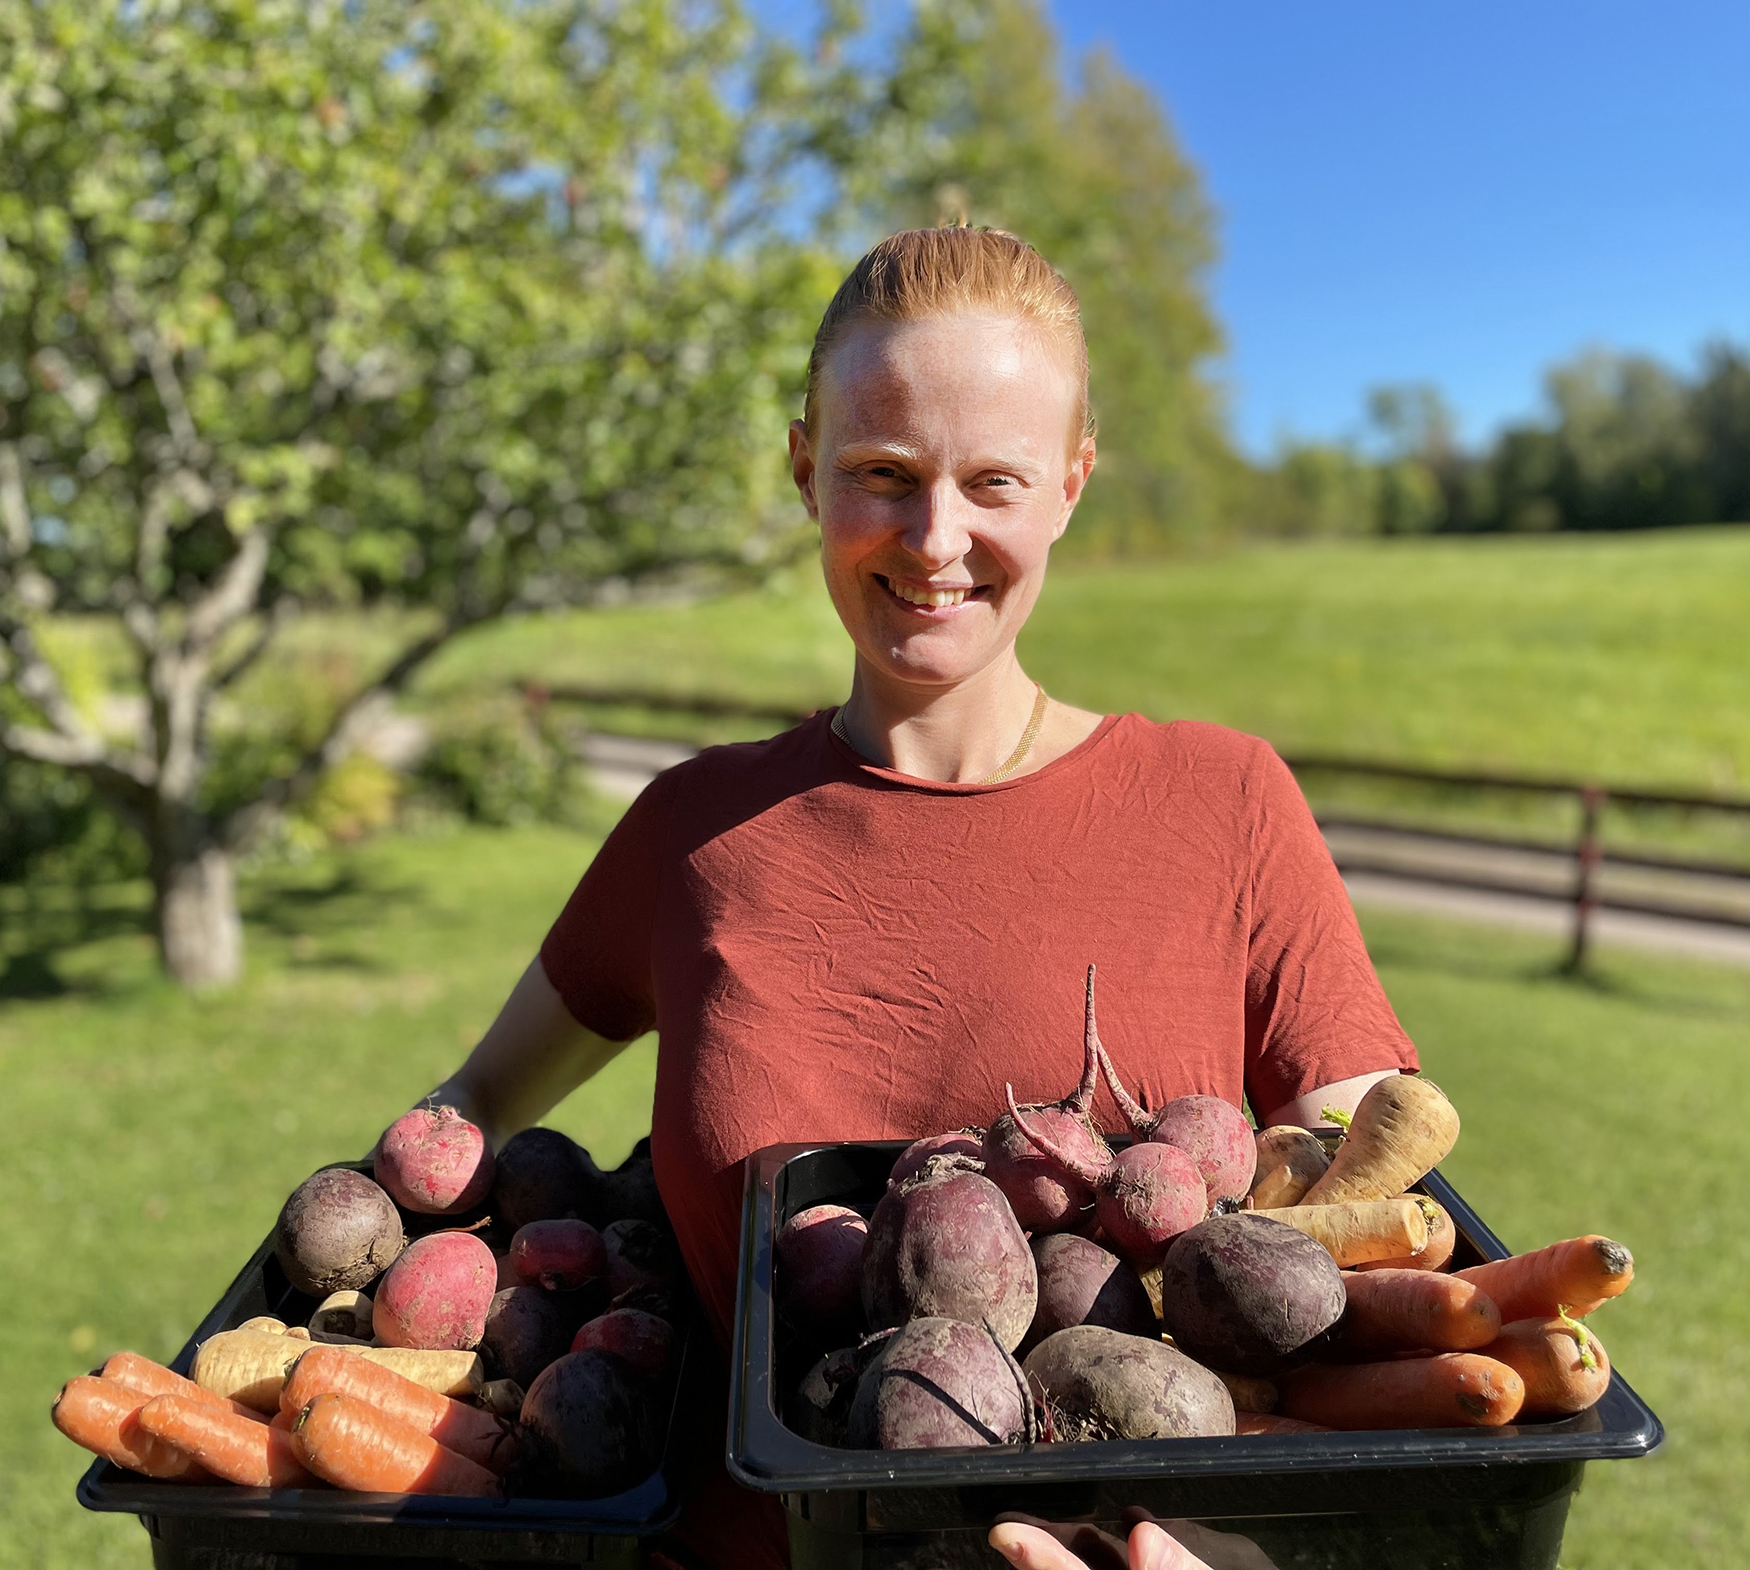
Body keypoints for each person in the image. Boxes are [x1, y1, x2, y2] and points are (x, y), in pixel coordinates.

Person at [432, 227, 1418, 1570]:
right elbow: (465, 1119)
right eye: (881, 475)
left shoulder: (1226, 802)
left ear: (1070, 486)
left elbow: (1378, 1220)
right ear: (804, 472)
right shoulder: (695, 831)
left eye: (994, 481)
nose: (935, 538)